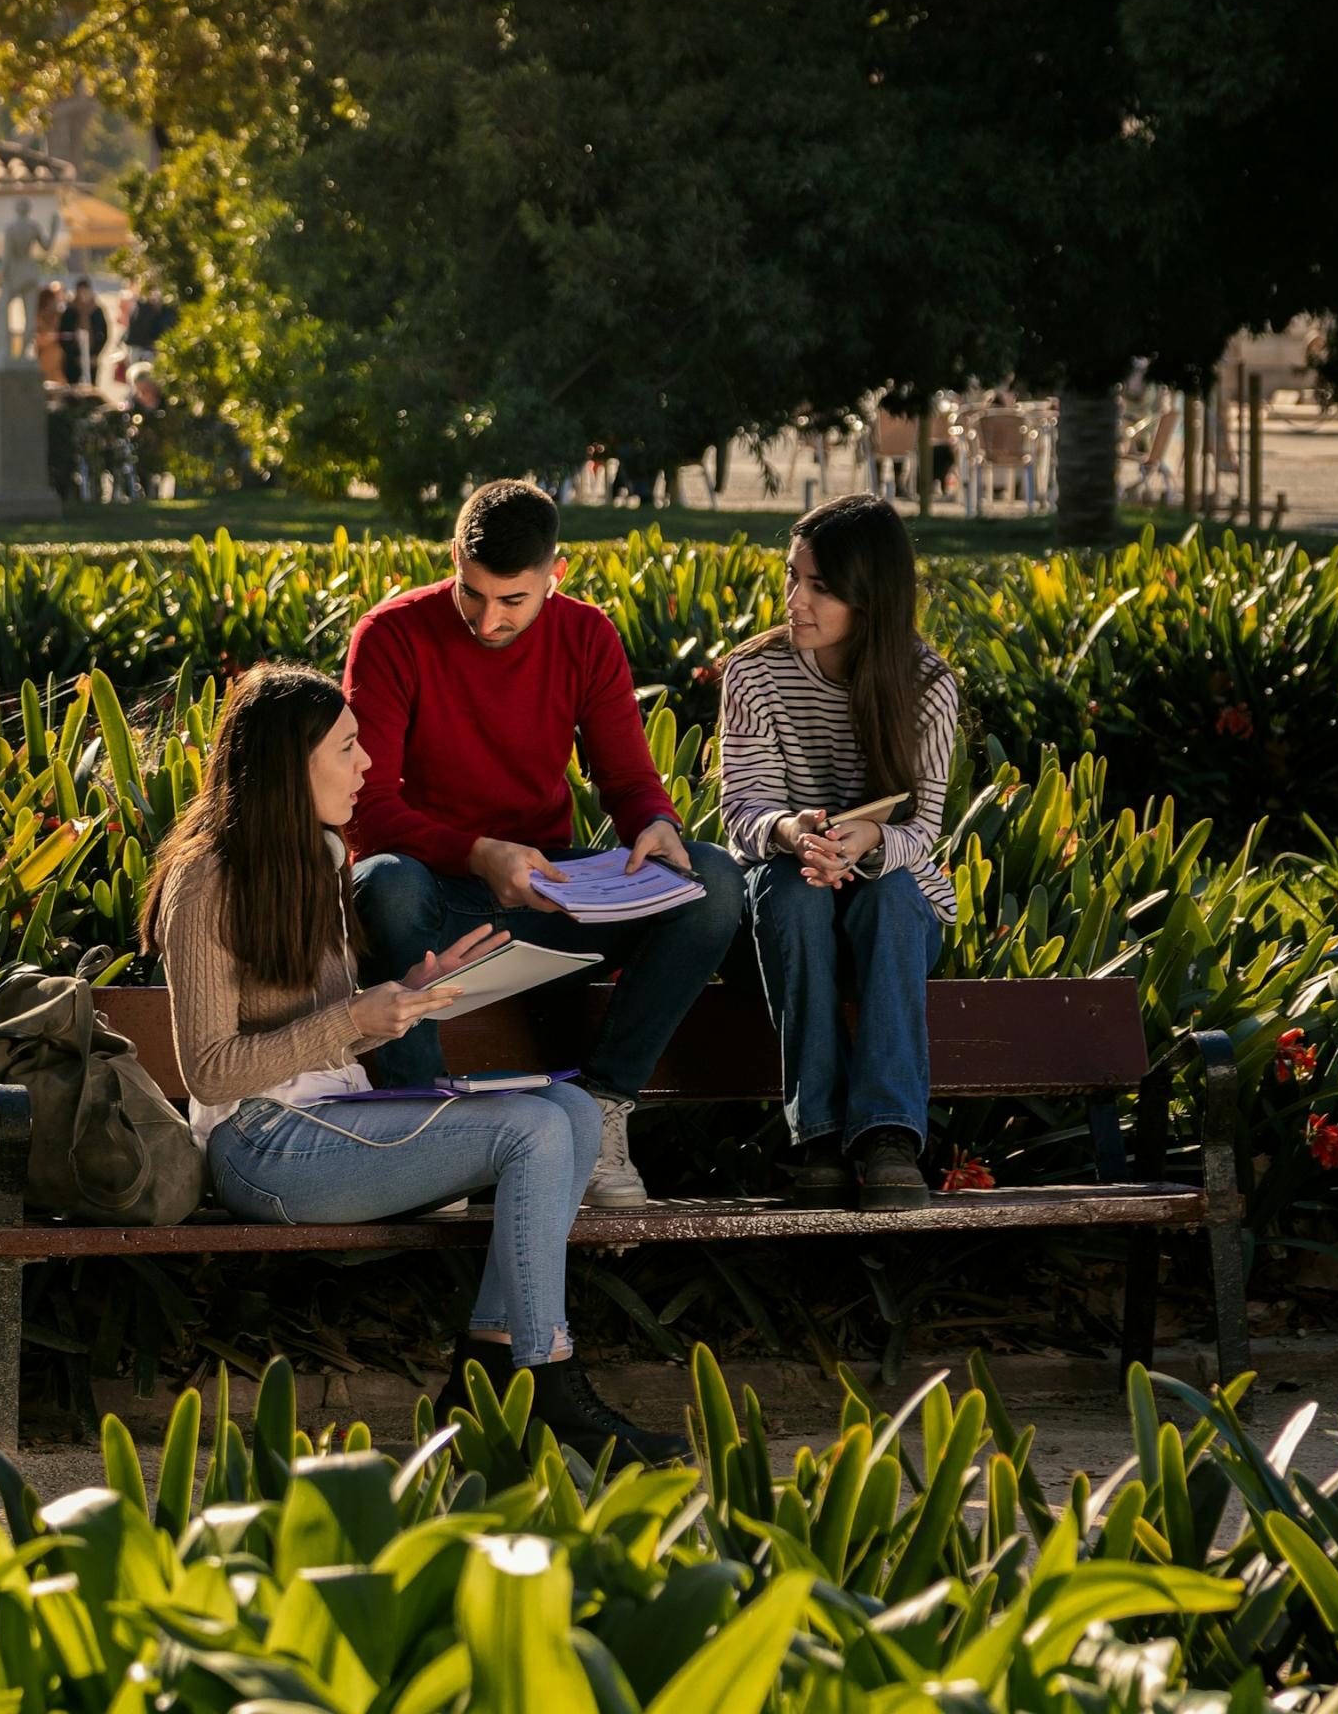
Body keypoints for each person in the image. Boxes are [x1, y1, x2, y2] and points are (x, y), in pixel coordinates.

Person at [143, 661, 686, 1465]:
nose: (367, 766)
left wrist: (410, 996)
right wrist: (355, 1015)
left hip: (333, 1121)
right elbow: (210, 1073)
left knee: (569, 1112)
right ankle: (546, 1382)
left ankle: (486, 1368)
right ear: (291, 763)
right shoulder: (205, 882)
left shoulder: (321, 856)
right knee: (534, 1131)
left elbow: (334, 1035)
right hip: (257, 1148)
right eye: (347, 748)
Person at [347, 478, 745, 1208]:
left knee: (714, 881)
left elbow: (627, 781)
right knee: (383, 880)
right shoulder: (392, 633)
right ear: (453, 561)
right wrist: (475, 852)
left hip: (544, 899)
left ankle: (601, 1108)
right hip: (433, 903)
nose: (487, 619)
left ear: (554, 577)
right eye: (472, 594)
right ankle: (425, 1129)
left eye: (512, 601)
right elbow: (364, 811)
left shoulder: (585, 633)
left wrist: (653, 822)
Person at [718, 493, 961, 1212]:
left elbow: (923, 829)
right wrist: (796, 834)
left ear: (869, 596)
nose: (795, 599)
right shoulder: (753, 674)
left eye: (819, 586)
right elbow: (742, 815)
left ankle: (888, 1137)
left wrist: (870, 841)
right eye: (793, 577)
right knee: (790, 889)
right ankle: (817, 1137)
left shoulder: (925, 684)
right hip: (786, 898)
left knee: (887, 894)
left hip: (890, 905)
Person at [61, 278, 108, 388]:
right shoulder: (70, 311)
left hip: (91, 356)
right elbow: (64, 335)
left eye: (85, 291)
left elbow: (104, 334)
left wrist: (96, 354)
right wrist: (73, 356)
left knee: (91, 388)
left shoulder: (97, 310)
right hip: (73, 359)